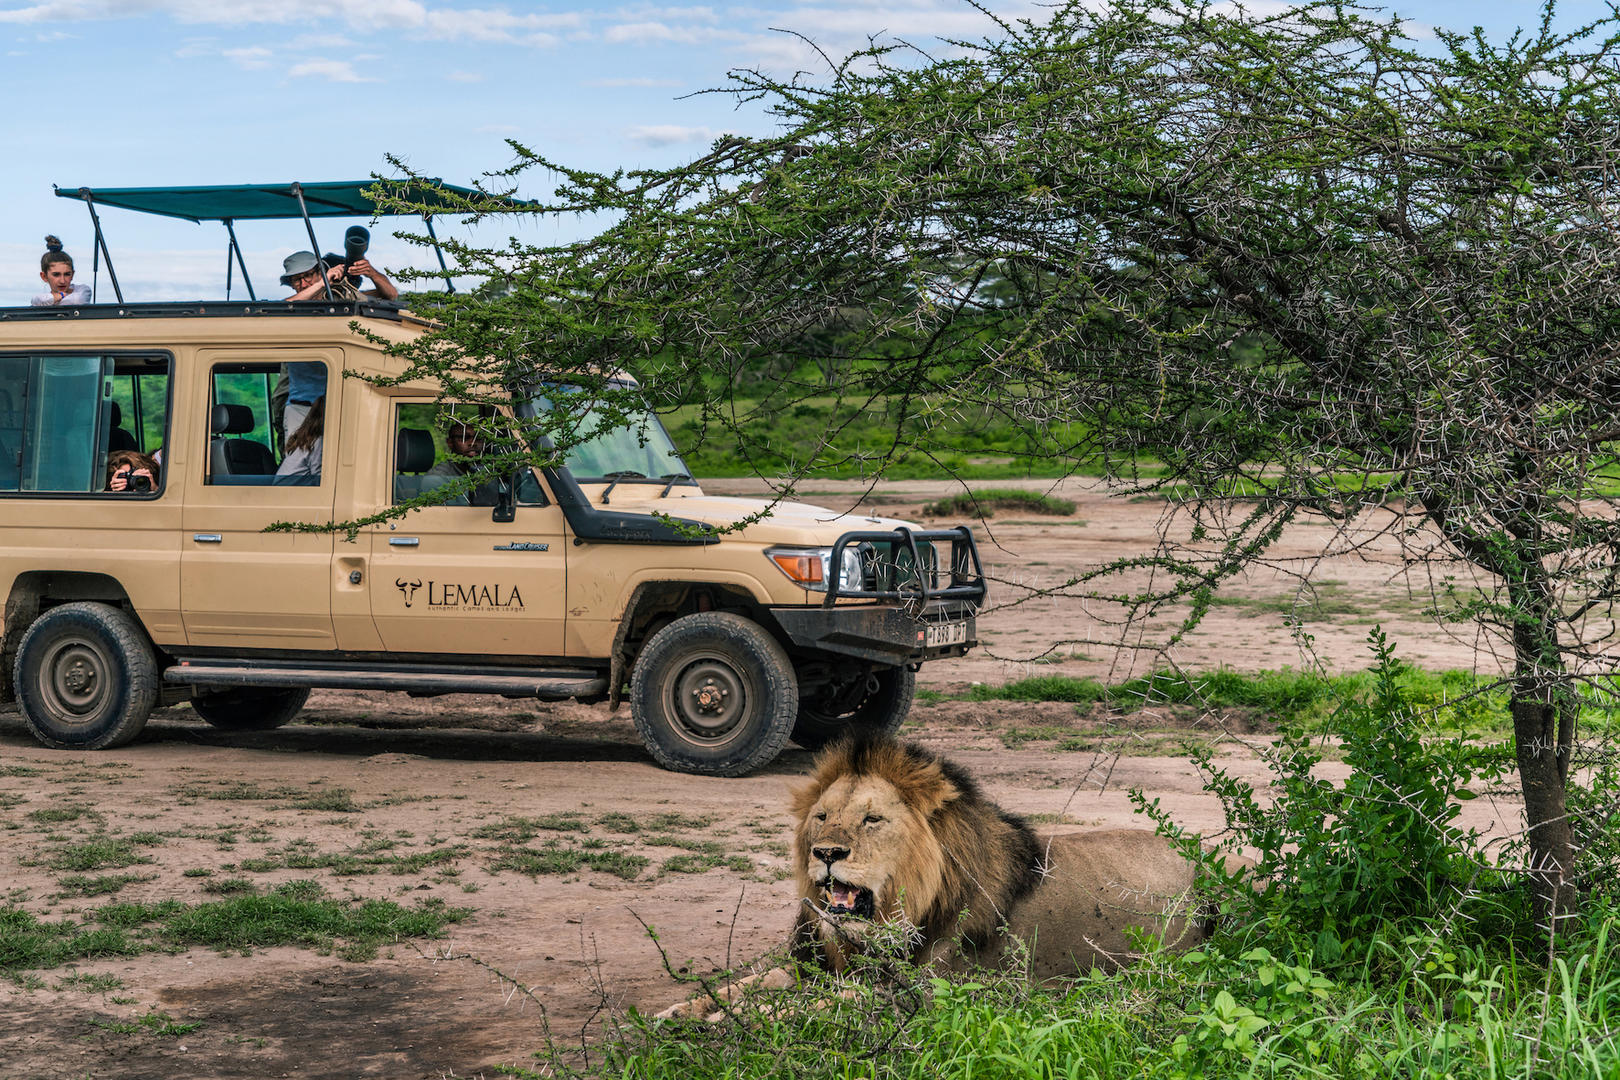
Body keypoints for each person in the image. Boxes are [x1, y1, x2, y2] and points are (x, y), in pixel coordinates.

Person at [426, 420, 503, 506]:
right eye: (464, 438)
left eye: (478, 438)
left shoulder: (492, 472)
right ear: (450, 442)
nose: (473, 443)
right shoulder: (437, 478)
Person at [281, 250, 399, 303]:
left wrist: (372, 273)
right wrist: (322, 283)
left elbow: (391, 295)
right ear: (291, 284)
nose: (303, 284)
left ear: (320, 273)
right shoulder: (291, 304)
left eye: (308, 276)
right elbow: (285, 305)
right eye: (297, 280)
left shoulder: (341, 297)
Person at [274, 395, 324, 485]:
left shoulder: (304, 437)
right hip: (289, 491)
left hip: (282, 488)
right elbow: (318, 477)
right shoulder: (317, 441)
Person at [31, 236, 92, 307]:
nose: (62, 281)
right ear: (44, 276)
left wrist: (57, 297)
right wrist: (60, 296)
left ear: (72, 275)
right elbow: (37, 300)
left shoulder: (83, 290)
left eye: (67, 274)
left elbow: (77, 301)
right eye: (56, 275)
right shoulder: (41, 300)